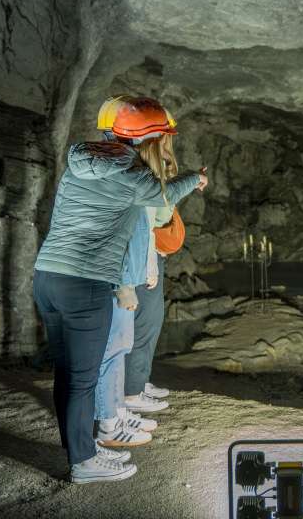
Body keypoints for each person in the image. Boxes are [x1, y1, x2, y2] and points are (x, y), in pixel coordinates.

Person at [33, 97, 208, 484]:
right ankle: (83, 462)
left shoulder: (80, 158)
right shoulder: (132, 173)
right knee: (83, 379)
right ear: (148, 138)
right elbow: (162, 197)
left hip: (47, 277)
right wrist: (194, 178)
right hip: (86, 283)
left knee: (68, 374)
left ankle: (83, 452)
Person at [92, 97, 166, 452]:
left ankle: (117, 412)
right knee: (113, 347)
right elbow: (126, 227)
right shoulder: (121, 173)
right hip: (111, 274)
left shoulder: (108, 166)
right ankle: (109, 423)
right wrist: (127, 280)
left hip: (113, 271)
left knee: (118, 346)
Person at [123, 123, 186, 411]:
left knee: (151, 321)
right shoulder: (145, 173)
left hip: (149, 254)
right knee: (143, 323)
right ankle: (132, 393)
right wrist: (149, 264)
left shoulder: (147, 169)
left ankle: (139, 382)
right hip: (143, 255)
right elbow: (150, 221)